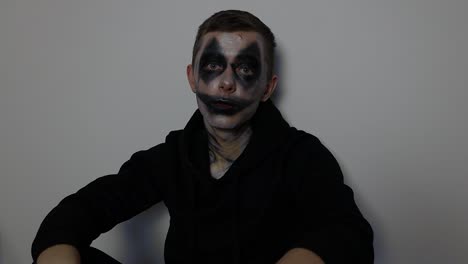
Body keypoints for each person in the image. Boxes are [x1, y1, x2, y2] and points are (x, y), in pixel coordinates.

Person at [32, 10, 374, 264]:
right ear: (192, 77)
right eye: (212, 66)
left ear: (268, 86)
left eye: (245, 68)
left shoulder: (302, 155)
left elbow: (350, 234)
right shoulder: (170, 157)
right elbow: (79, 211)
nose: (226, 82)